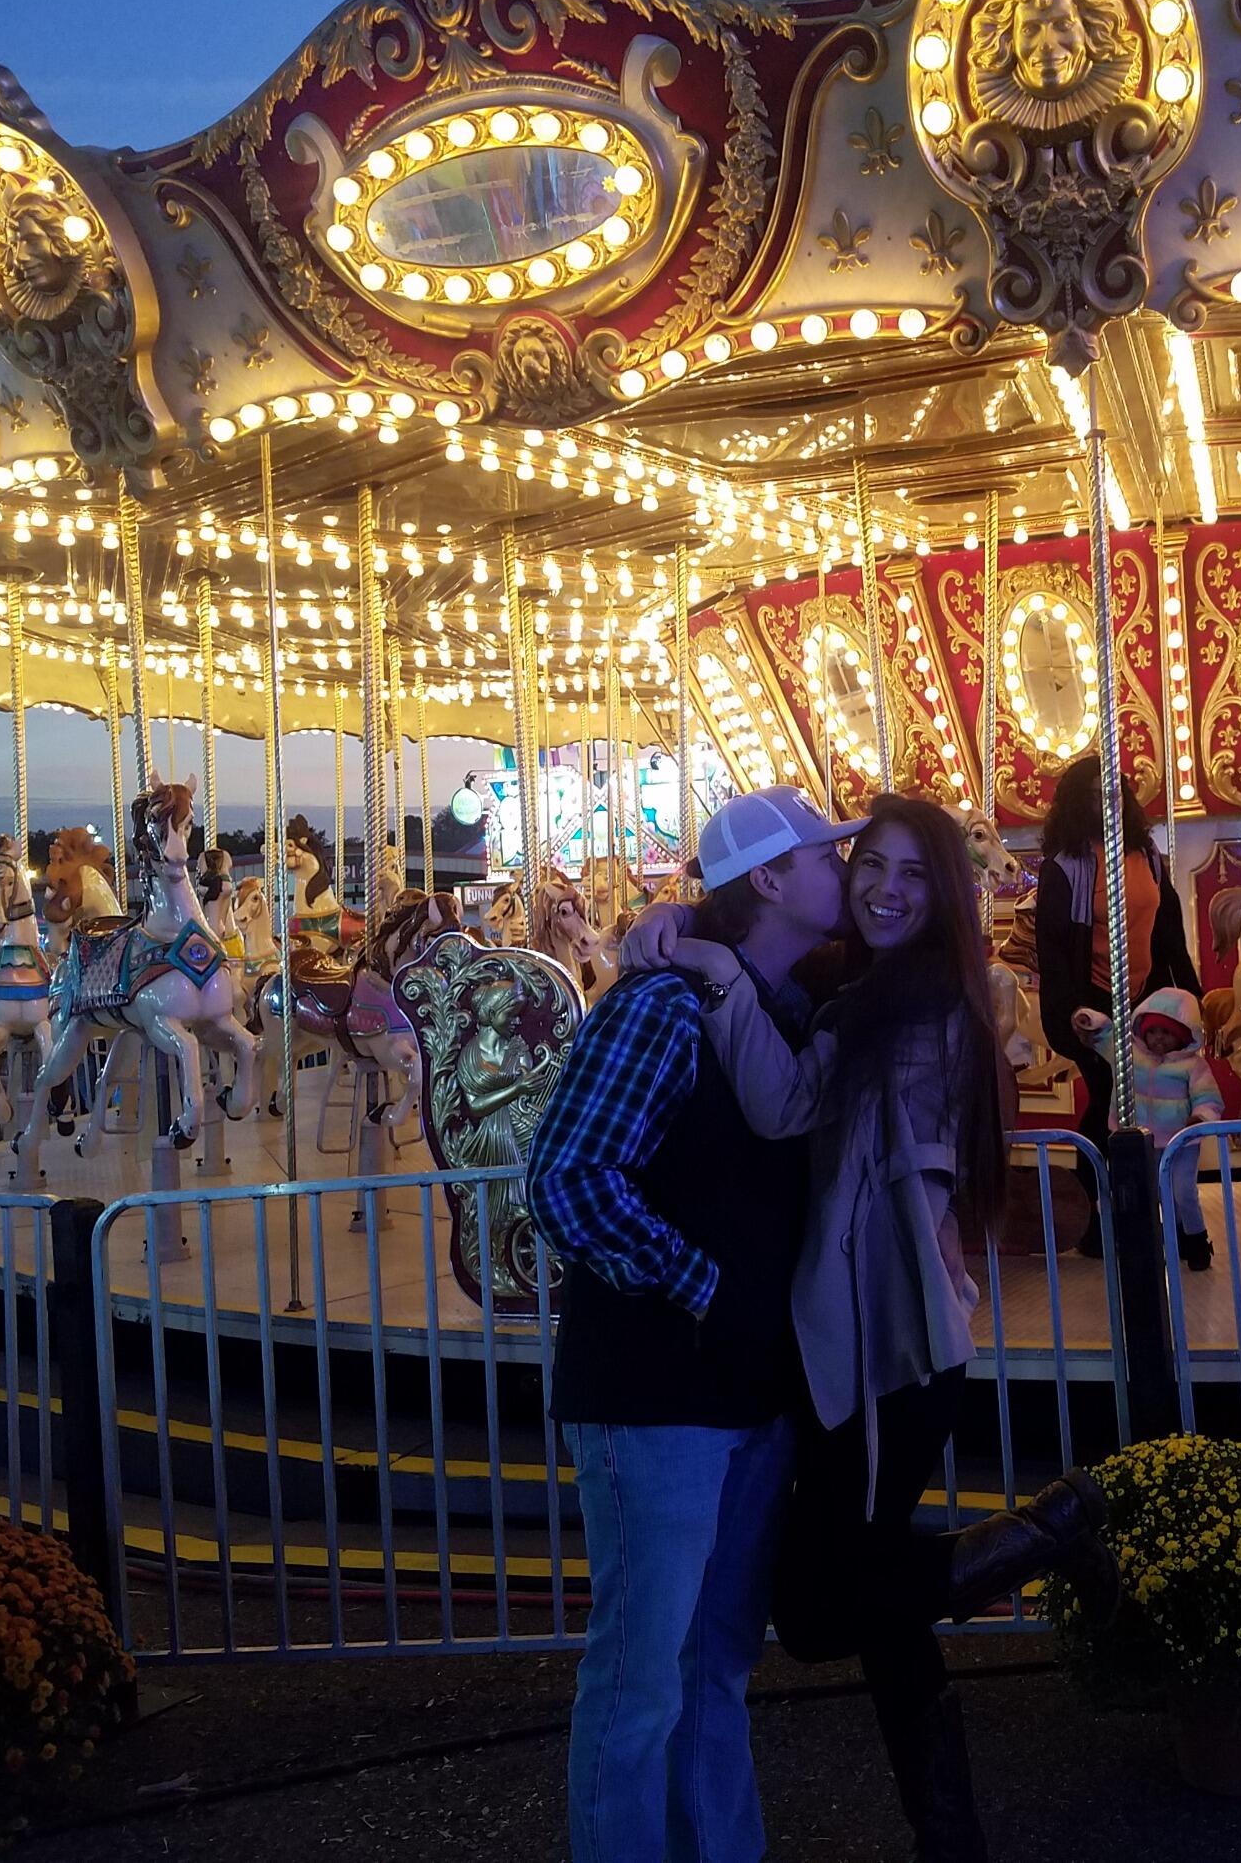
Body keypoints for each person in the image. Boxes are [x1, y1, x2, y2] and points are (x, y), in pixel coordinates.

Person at [625, 794, 1115, 1860]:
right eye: (869, 867)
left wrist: (708, 975)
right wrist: (676, 935)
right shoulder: (870, 991)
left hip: (885, 1342)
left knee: (815, 1611)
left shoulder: (918, 1001)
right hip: (860, 1338)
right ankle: (950, 1837)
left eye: (910, 872)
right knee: (882, 1606)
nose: (884, 888)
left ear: (948, 889)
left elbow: (789, 1109)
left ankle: (1051, 1528)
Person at [522, 785, 854, 1863]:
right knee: (640, 1675)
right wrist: (706, 1288)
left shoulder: (774, 999)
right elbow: (566, 1177)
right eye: (823, 857)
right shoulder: (658, 1008)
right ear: (770, 879)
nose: (840, 873)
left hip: (748, 1389)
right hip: (655, 1393)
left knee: (712, 1664)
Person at [1033, 755, 1200, 1243]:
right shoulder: (1066, 867)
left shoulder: (1146, 856)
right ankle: (1098, 1210)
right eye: (1093, 796)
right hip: (1088, 998)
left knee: (1144, 1099)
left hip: (1143, 997)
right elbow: (1055, 949)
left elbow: (1169, 931)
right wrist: (1071, 1011)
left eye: (1112, 793)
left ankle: (1128, 1207)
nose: (1105, 804)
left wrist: (1191, 992)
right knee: (1110, 1093)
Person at [1073, 986, 1223, 1271]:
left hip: (1180, 1143)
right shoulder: (1130, 1055)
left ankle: (1196, 1241)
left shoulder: (1193, 1066)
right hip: (1140, 1139)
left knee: (1182, 1193)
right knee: (1146, 1193)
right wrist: (1088, 1019)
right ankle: (1154, 1243)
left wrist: (1201, 1118)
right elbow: (1107, 1033)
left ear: (1182, 1034)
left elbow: (1208, 1099)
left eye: (1166, 1033)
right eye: (1153, 1032)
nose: (1157, 1039)